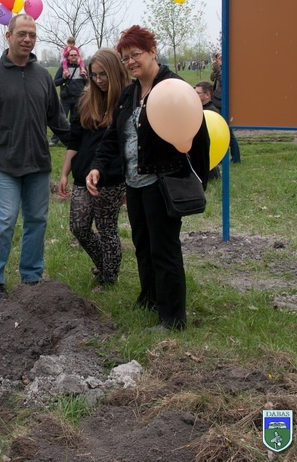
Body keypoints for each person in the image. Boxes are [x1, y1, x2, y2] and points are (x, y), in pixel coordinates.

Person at [86, 25, 210, 330]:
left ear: (152, 52)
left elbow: (199, 136)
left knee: (164, 249)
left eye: (136, 54)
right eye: (125, 58)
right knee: (142, 244)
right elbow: (114, 136)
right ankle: (150, 298)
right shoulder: (129, 94)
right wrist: (98, 165)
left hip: (163, 183)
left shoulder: (173, 87)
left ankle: (172, 318)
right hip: (135, 184)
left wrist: (198, 182)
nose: (130, 62)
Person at [0, 14, 70, 299]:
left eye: (32, 35)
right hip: (4, 163)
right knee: (5, 219)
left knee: (37, 220)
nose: (27, 39)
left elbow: (57, 119)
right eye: (22, 34)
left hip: (38, 162)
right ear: (8, 36)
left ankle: (31, 277)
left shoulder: (43, 76)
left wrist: (80, 144)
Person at [59, 48, 129, 286]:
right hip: (83, 173)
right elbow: (75, 140)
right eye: (94, 75)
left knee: (106, 228)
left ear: (115, 72)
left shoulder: (126, 99)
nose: (98, 80)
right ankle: (105, 264)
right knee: (79, 226)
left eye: (103, 74)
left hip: (111, 176)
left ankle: (109, 279)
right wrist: (65, 172)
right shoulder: (86, 99)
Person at [50, 48, 88, 147]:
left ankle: (73, 140)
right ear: (68, 57)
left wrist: (84, 77)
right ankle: (54, 140)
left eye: (75, 55)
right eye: (71, 55)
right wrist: (63, 78)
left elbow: (88, 83)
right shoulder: (63, 68)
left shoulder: (83, 68)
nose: (74, 57)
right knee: (60, 119)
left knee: (75, 121)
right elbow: (54, 83)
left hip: (79, 98)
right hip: (65, 98)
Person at [210, 52, 241, 164]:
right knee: (223, 130)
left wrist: (218, 67)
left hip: (224, 102)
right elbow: (212, 78)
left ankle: (235, 157)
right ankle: (227, 158)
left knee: (228, 131)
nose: (219, 59)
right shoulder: (221, 67)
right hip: (218, 101)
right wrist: (215, 68)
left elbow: (223, 80)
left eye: (221, 57)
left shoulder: (229, 68)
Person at [195, 81, 221, 181]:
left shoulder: (210, 112)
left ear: (207, 95)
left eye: (198, 93)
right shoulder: (198, 109)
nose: (194, 95)